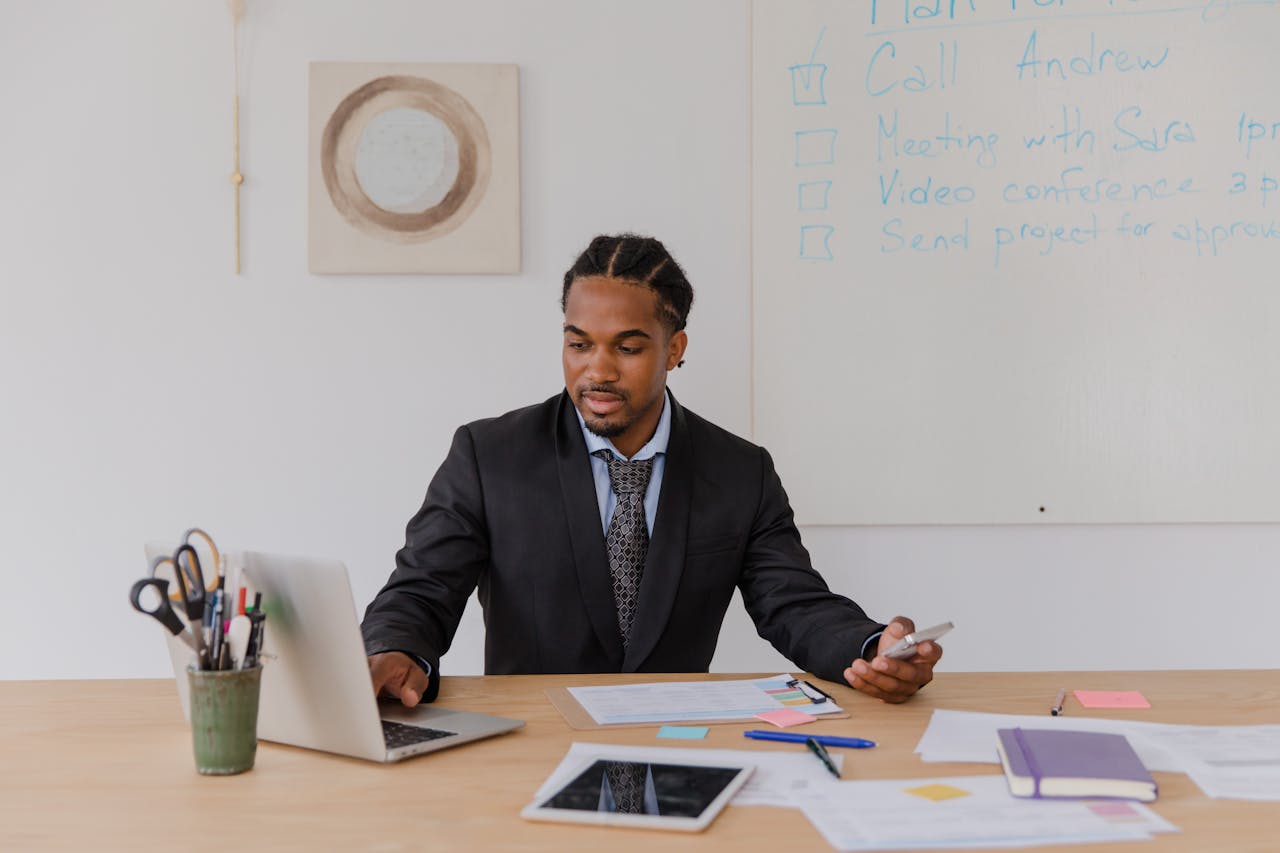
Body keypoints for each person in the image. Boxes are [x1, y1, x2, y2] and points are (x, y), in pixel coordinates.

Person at [361, 234, 941, 707]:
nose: (598, 371)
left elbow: (793, 603)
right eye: (579, 344)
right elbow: (422, 587)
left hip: (675, 740)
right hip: (531, 742)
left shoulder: (741, 472)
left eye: (628, 348)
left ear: (675, 348)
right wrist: (395, 648)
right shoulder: (489, 455)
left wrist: (871, 646)